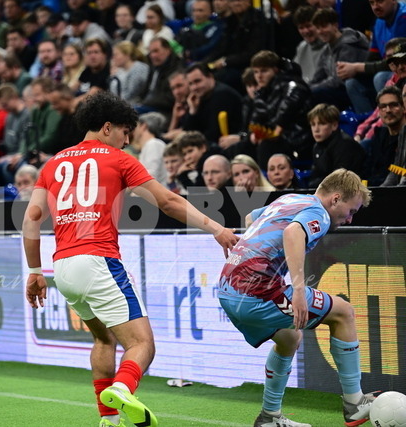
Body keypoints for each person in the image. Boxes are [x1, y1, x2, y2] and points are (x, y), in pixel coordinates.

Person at [22, 91, 238, 427]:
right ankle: (123, 388)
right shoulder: (118, 159)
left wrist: (35, 270)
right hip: (98, 260)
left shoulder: (52, 163)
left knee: (103, 338)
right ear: (107, 127)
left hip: (62, 266)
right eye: (125, 132)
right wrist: (216, 228)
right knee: (142, 344)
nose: (127, 141)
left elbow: (32, 217)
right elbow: (167, 202)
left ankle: (108, 421)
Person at [218, 168, 375, 427]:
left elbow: (251, 217)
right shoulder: (319, 213)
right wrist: (299, 291)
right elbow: (292, 233)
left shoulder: (290, 199)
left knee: (290, 338)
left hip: (227, 289)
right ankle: (355, 403)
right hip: (255, 291)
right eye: (351, 211)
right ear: (336, 199)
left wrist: (256, 254)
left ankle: (269, 417)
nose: (349, 219)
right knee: (344, 312)